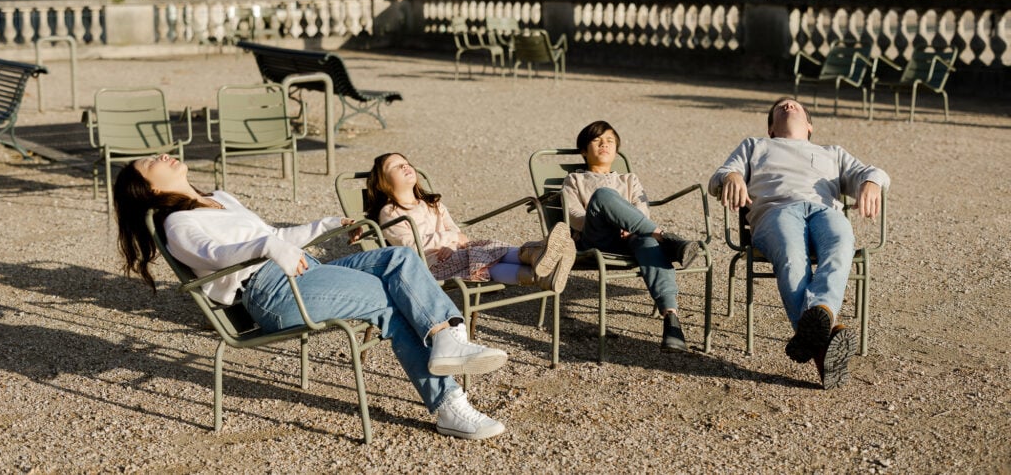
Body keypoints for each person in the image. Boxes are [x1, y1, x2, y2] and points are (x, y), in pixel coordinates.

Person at [113, 153, 509, 440]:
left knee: (400, 260)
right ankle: (449, 405)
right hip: (272, 292)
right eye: (151, 162)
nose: (162, 156)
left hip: (305, 271)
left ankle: (448, 337)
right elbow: (217, 256)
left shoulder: (220, 198)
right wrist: (268, 247)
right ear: (150, 188)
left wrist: (328, 223)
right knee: (388, 299)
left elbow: (279, 237)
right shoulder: (178, 224)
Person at [708, 97, 890, 390]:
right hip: (776, 211)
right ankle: (824, 339)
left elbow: (871, 172)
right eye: (780, 106)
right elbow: (719, 176)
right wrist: (731, 176)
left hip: (823, 211)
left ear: (809, 125)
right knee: (792, 258)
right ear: (770, 129)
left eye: (795, 105)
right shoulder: (755, 146)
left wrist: (872, 182)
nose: (788, 105)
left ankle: (818, 326)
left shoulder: (831, 153)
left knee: (841, 243)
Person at [561, 121, 702, 353]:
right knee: (604, 195)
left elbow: (642, 208)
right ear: (584, 151)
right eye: (597, 140)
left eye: (610, 141)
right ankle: (666, 238)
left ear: (616, 150)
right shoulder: (574, 180)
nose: (604, 144)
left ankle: (672, 320)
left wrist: (633, 226)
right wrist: (615, 219)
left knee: (647, 242)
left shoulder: (629, 180)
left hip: (632, 238)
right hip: (596, 239)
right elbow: (574, 216)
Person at [366, 152, 577, 293]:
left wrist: (451, 243)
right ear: (383, 183)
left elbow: (455, 230)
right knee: (481, 260)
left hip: (455, 253)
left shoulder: (432, 203)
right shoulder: (390, 212)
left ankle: (540, 261)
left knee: (488, 246)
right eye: (396, 166)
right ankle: (538, 267)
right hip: (429, 266)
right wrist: (451, 240)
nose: (405, 166)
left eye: (406, 163)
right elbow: (410, 246)